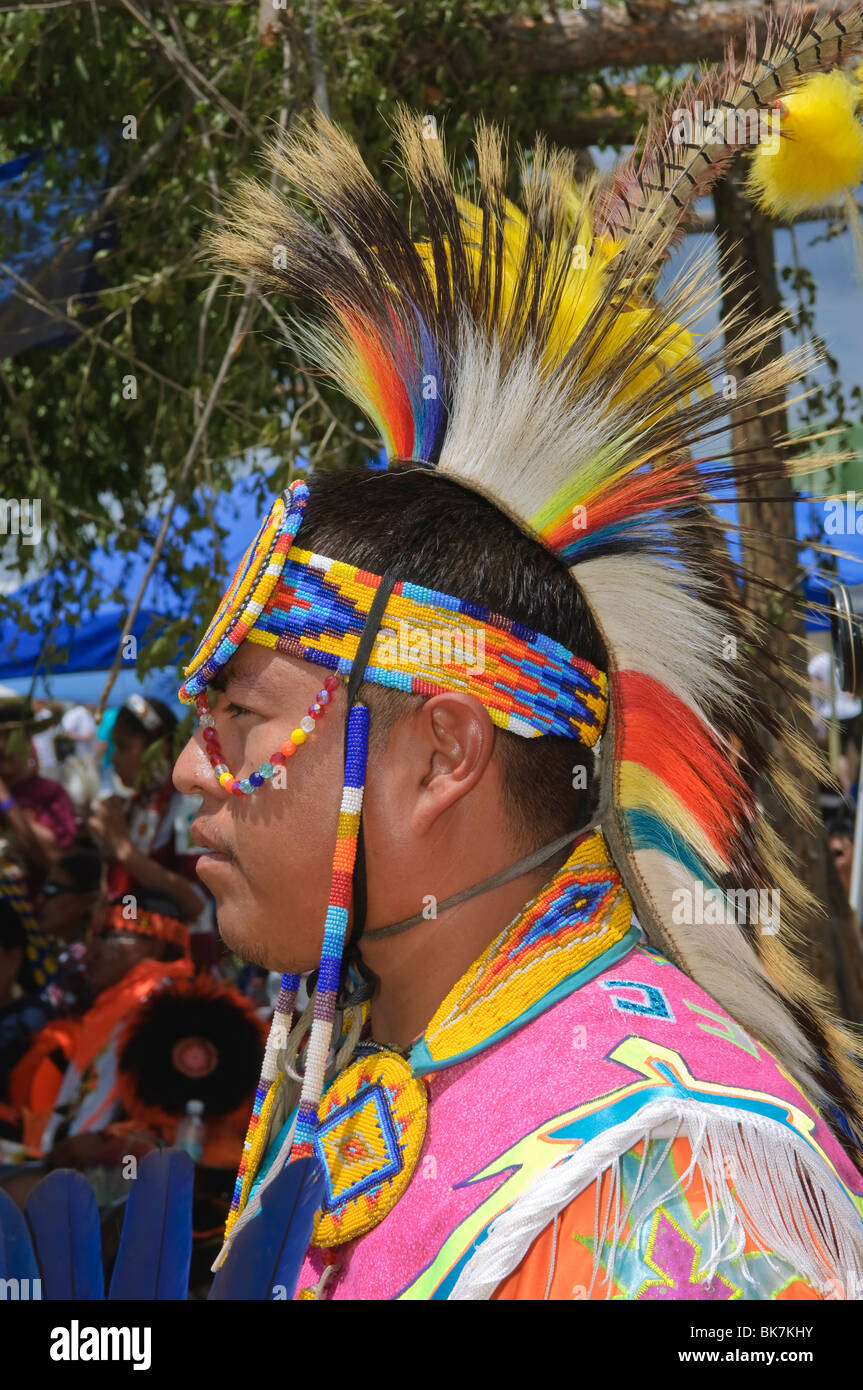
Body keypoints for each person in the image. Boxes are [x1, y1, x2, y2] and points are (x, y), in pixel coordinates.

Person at [167, 40, 863, 1301]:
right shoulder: (377, 1069)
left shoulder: (673, 1181)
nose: (187, 767)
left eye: (241, 716)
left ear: (442, 750)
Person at [88, 694, 206, 934]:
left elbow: (197, 902)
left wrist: (121, 846)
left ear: (159, 749)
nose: (113, 758)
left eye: (122, 746)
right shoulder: (133, 805)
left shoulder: (188, 806)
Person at [0, 697, 76, 897]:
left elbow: (55, 860)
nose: (1, 746)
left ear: (27, 740)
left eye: (8, 736)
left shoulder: (50, 793)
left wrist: (6, 801)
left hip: (32, 915)